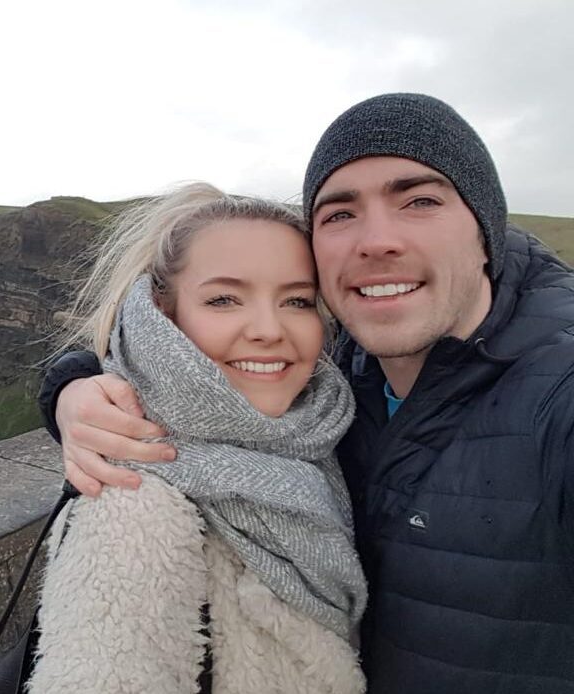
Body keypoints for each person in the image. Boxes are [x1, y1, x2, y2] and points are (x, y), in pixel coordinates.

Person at [39, 93, 574, 694]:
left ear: (486, 232)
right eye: (340, 213)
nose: (376, 241)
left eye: (420, 200)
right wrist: (73, 386)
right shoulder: (339, 377)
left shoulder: (556, 392)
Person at [27, 185, 367, 694]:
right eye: (225, 299)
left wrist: (66, 387)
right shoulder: (134, 508)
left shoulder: (316, 432)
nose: (269, 329)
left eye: (297, 300)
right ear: (161, 313)